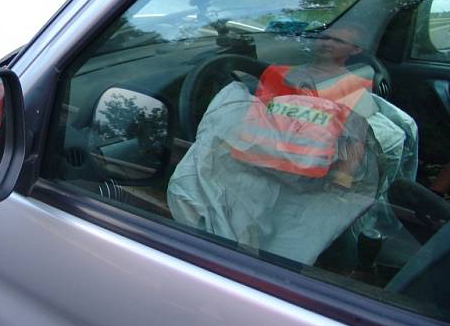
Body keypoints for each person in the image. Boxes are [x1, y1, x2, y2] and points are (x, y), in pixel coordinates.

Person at [166, 23, 417, 265]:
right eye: (324, 37)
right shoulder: (282, 72)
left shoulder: (354, 88)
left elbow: (357, 135)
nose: (327, 43)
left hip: (303, 175)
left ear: (355, 51)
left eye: (338, 41)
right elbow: (257, 112)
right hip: (256, 157)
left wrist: (343, 177)